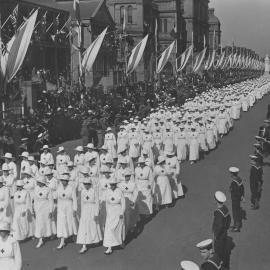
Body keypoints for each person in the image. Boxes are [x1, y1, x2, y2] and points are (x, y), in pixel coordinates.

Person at [76, 178, 102, 254]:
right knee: (83, 227)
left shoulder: (94, 191)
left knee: (93, 225)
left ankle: (94, 239)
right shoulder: (83, 191)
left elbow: (97, 203)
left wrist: (96, 214)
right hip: (85, 211)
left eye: (88, 184)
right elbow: (81, 203)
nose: (86, 186)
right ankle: (84, 245)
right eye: (85, 184)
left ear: (90, 184)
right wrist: (81, 212)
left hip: (92, 209)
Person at [103, 177, 125, 255]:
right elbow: (106, 203)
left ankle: (120, 242)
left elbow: (123, 203)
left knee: (118, 227)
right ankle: (109, 247)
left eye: (114, 185)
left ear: (116, 184)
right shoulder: (107, 191)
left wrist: (122, 213)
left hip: (118, 211)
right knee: (109, 229)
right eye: (111, 185)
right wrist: (107, 212)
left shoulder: (119, 191)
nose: (112, 186)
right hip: (110, 211)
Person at [56, 174, 78, 249]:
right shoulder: (59, 188)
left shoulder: (71, 188)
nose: (63, 182)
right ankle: (62, 241)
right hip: (61, 206)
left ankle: (72, 235)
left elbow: (74, 199)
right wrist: (58, 208)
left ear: (67, 181)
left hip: (69, 206)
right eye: (62, 180)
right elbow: (58, 198)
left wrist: (75, 209)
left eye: (65, 181)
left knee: (69, 222)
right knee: (62, 222)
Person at [33, 175, 54, 248]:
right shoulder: (36, 188)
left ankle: (47, 234)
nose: (37, 183)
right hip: (38, 208)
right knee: (39, 223)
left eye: (39, 182)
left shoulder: (48, 189)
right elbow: (35, 200)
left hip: (46, 208)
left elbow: (51, 201)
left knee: (46, 222)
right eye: (37, 181)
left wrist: (51, 211)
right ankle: (40, 239)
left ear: (42, 182)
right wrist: (34, 210)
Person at [212, 191, 231, 269]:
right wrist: (225, 229)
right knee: (224, 251)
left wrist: (216, 235)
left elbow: (219, 226)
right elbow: (229, 220)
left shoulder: (218, 212)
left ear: (216, 200)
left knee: (218, 253)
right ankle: (226, 266)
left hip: (219, 236)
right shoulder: (225, 209)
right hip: (224, 234)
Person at [228, 167, 244, 232]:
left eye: (230, 173)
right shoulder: (239, 179)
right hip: (238, 199)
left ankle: (236, 227)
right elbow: (242, 189)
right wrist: (242, 196)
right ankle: (235, 224)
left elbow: (236, 191)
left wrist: (231, 190)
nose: (230, 175)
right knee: (236, 212)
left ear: (232, 174)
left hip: (235, 199)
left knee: (235, 213)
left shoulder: (234, 182)